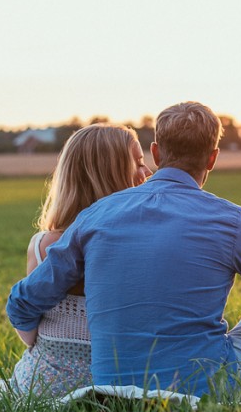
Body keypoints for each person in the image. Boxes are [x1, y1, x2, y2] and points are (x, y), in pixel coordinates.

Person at [7, 101, 241, 398]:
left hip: (110, 390)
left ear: (157, 153)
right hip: (208, 391)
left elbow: (22, 303)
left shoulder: (96, 216)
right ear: (213, 158)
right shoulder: (232, 221)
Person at [8, 123, 152, 397]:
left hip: (42, 386)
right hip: (119, 386)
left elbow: (29, 336)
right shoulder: (140, 245)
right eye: (138, 163)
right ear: (111, 174)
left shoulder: (43, 246)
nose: (148, 172)